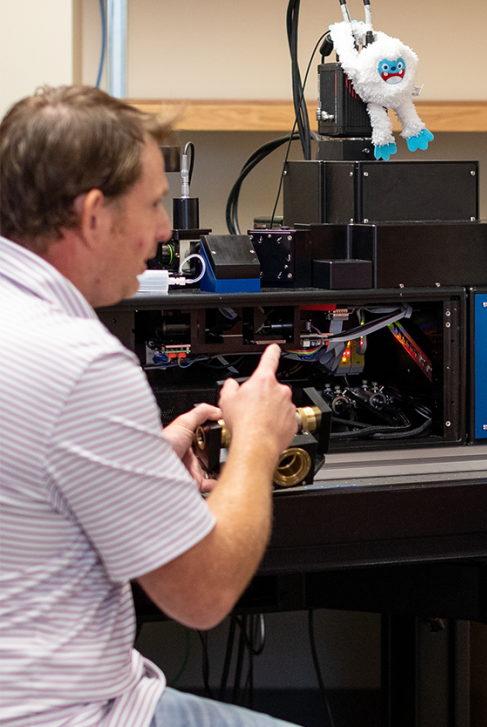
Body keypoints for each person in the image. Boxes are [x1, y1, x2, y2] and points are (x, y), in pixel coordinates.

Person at [0, 86, 301, 726]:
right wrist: (254, 443)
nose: (165, 231)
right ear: (92, 216)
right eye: (154, 205)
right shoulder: (79, 361)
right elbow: (204, 593)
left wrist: (137, 458)